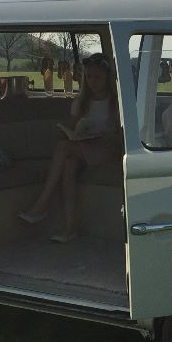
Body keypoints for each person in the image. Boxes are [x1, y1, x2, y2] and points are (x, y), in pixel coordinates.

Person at [17, 53, 121, 242]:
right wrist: (68, 130)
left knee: (63, 149)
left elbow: (121, 134)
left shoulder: (116, 103)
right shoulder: (80, 102)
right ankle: (70, 228)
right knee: (69, 166)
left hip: (107, 150)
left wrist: (109, 136)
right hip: (84, 149)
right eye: (89, 77)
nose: (92, 81)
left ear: (108, 78)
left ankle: (42, 204)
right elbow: (73, 126)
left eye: (97, 77)